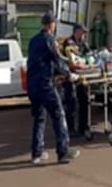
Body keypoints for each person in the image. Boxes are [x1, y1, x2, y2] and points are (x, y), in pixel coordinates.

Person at [27, 11, 80, 165]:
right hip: (45, 85)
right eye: (54, 24)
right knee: (59, 114)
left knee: (39, 118)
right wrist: (69, 75)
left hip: (33, 86)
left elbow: (39, 61)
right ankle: (63, 152)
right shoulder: (49, 39)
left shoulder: (33, 41)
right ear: (51, 25)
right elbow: (56, 60)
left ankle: (36, 154)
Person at [62, 24, 92, 138]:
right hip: (70, 76)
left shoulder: (83, 43)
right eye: (83, 32)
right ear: (77, 31)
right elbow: (74, 59)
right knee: (71, 103)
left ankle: (83, 127)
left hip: (81, 77)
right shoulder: (69, 42)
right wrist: (83, 62)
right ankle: (70, 129)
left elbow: (89, 54)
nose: (84, 34)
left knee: (84, 100)